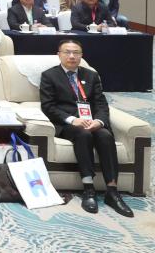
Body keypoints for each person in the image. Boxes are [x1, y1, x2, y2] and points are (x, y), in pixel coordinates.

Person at [40, 39, 132, 217]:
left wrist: (99, 121)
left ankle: (112, 191)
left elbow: (101, 103)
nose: (72, 56)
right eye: (67, 52)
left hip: (92, 121)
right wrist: (72, 119)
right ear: (59, 55)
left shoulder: (91, 75)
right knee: (84, 135)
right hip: (68, 124)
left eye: (76, 53)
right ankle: (88, 189)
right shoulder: (49, 76)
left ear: (81, 56)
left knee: (105, 135)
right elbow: (48, 106)